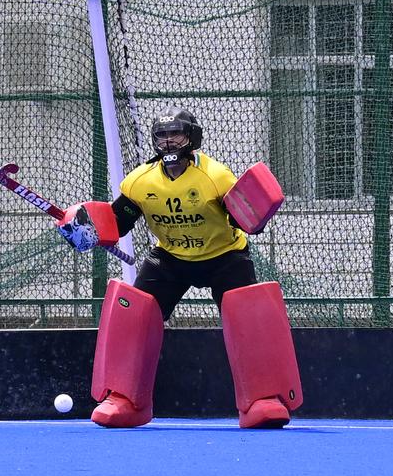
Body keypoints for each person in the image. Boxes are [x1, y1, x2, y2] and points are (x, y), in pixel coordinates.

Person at [61, 107, 302, 430]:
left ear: (192, 138)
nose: (169, 140)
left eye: (176, 133)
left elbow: (242, 219)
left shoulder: (215, 176)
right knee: (132, 313)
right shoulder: (139, 181)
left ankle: (263, 399)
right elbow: (118, 222)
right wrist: (85, 228)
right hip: (170, 259)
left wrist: (257, 214)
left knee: (251, 316)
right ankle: (126, 399)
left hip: (225, 256)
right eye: (162, 135)